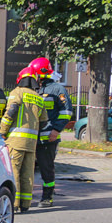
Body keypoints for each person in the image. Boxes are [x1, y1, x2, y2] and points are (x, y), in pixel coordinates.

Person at [0, 66, 48, 213]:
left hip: (15, 141)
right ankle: (26, 204)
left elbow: (10, 112)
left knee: (14, 172)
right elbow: (44, 121)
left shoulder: (17, 93)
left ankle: (14, 204)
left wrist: (2, 131)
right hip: (31, 143)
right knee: (28, 173)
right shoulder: (39, 98)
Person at [29, 57, 73, 207]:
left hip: (48, 137)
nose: (32, 76)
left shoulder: (57, 89)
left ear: (41, 73)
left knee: (46, 168)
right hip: (31, 137)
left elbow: (66, 112)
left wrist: (55, 130)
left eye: (34, 73)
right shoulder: (34, 89)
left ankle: (47, 197)